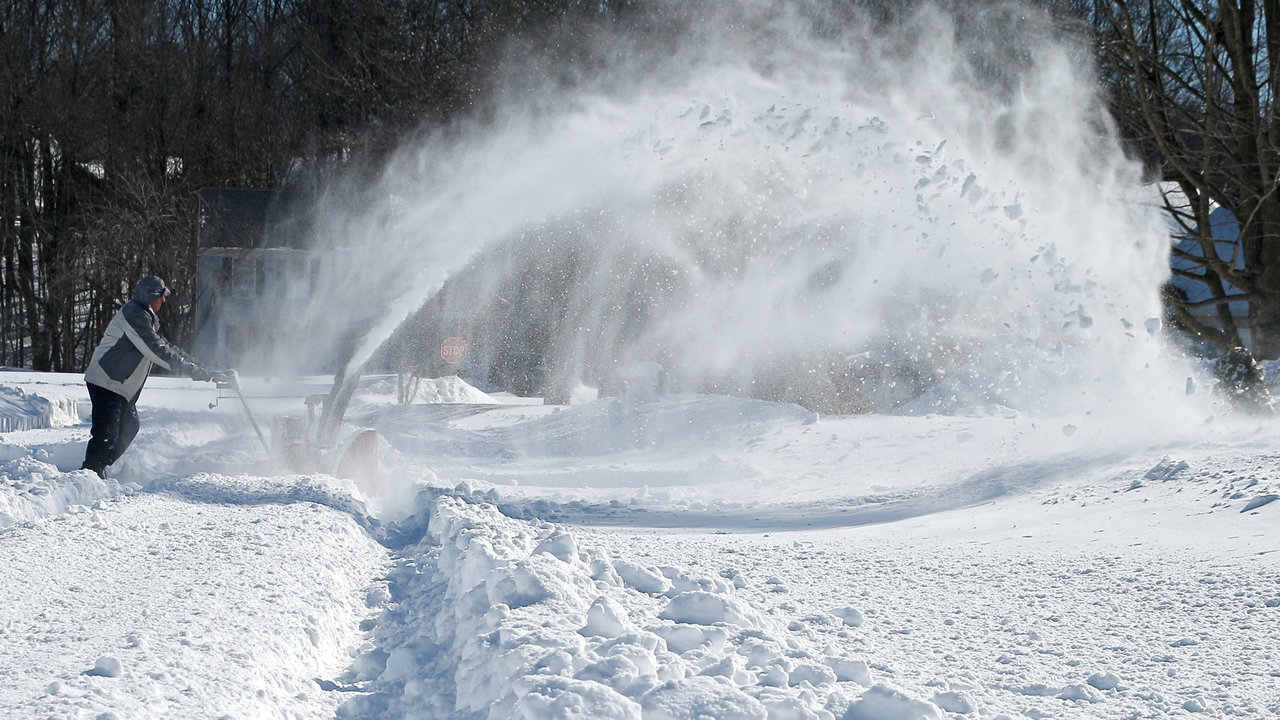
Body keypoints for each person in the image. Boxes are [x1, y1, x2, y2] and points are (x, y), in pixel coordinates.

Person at [81, 275, 229, 478]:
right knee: (106, 434)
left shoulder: (144, 315)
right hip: (107, 381)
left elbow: (168, 348)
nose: (164, 300)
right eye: (161, 296)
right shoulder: (133, 315)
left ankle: (99, 469)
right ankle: (90, 474)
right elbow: (156, 350)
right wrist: (196, 372)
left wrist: (204, 369)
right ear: (151, 296)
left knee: (129, 427)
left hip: (119, 384)